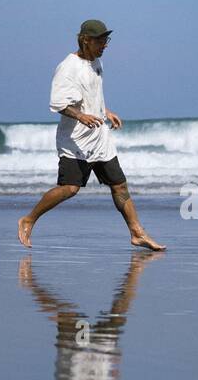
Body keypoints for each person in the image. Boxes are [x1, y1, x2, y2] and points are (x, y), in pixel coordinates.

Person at [18, 19, 165, 251]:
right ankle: (29, 219)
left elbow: (91, 96)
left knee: (119, 186)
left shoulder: (97, 63)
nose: (104, 45)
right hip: (75, 139)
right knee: (70, 188)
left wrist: (105, 111)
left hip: (99, 138)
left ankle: (137, 233)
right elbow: (58, 103)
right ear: (86, 40)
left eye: (106, 40)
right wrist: (81, 116)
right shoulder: (68, 67)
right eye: (100, 41)